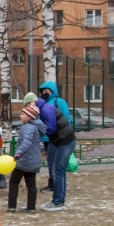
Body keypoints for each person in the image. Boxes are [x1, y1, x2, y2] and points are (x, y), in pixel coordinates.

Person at [36, 81, 76, 211]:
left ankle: (58, 200)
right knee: (53, 167)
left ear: (52, 90)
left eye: (47, 90)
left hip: (62, 138)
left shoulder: (59, 102)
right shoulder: (44, 105)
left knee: (58, 170)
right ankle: (56, 195)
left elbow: (65, 118)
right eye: (42, 91)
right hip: (52, 139)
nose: (44, 93)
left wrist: (58, 131)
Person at [7, 102, 47, 212]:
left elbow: (26, 142)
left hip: (23, 161)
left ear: (29, 117)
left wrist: (18, 153)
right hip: (33, 161)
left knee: (14, 182)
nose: (20, 116)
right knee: (31, 184)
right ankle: (31, 207)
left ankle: (11, 206)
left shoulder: (28, 127)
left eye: (23, 114)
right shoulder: (35, 127)